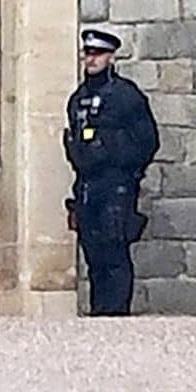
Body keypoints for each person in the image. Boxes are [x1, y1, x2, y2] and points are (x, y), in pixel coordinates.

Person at [64, 28, 159, 316]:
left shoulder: (125, 96)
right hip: (87, 185)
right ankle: (99, 313)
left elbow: (147, 142)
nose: (91, 59)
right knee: (94, 255)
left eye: (98, 54)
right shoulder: (78, 99)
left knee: (115, 253)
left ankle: (116, 315)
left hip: (116, 184)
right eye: (88, 54)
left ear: (111, 57)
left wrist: (116, 158)